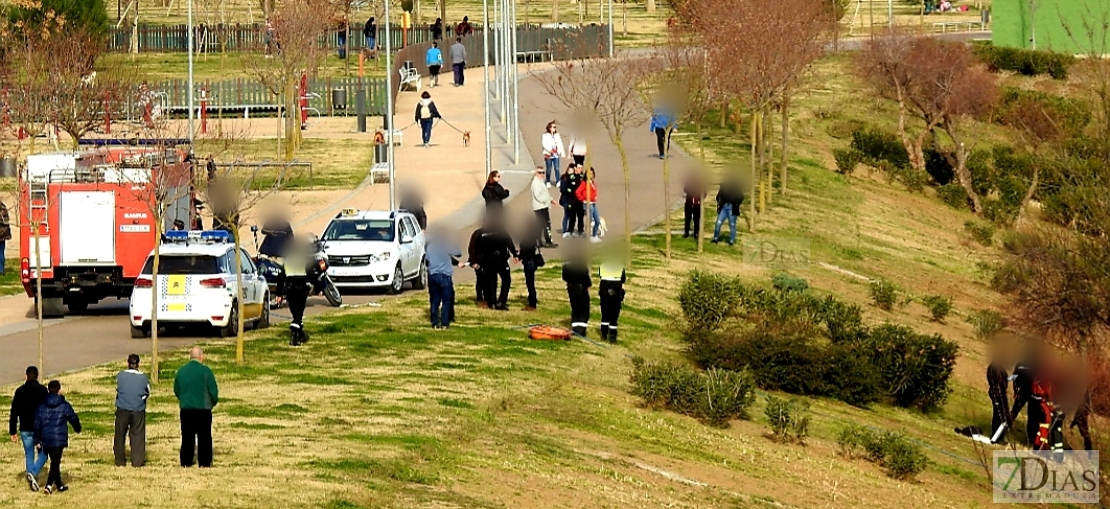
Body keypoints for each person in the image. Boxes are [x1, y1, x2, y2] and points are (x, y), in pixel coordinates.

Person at [34, 380, 81, 495]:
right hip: (58, 439)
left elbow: (37, 424)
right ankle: (49, 485)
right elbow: (73, 418)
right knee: (55, 463)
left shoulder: (41, 406)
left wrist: (37, 439)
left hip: (46, 439)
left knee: (55, 462)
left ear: (48, 390)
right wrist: (77, 428)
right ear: (59, 390)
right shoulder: (64, 405)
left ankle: (59, 485)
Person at [174, 347, 219, 468]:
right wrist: (213, 402)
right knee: (204, 436)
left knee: (187, 436)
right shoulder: (206, 371)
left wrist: (184, 399)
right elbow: (213, 391)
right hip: (203, 409)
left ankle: (186, 461)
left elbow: (177, 390)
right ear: (201, 357)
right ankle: (204, 462)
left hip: (186, 409)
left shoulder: (181, 371)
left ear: (190, 357)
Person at [9, 366, 48, 492]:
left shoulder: (19, 391)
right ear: (37, 376)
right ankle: (34, 472)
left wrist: (13, 431)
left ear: (26, 376)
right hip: (39, 429)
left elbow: (14, 412)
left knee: (29, 454)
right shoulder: (42, 391)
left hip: (25, 428)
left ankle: (31, 475)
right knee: (44, 453)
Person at [114, 354, 150, 467]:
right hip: (137, 409)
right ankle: (137, 461)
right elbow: (148, 391)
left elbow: (118, 388)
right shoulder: (143, 378)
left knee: (120, 434)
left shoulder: (120, 375)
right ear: (138, 364)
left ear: (128, 363)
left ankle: (120, 460)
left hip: (122, 408)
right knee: (138, 434)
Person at [476, 215, 518, 310]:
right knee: (506, 279)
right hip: (500, 258)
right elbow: (509, 242)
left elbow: (477, 249)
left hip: (487, 259)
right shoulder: (501, 230)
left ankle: (493, 302)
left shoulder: (482, 233)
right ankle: (502, 301)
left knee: (492, 280)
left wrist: (481, 259)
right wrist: (515, 254)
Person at [426, 228, 463, 329]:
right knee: (446, 300)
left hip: (432, 275)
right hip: (444, 275)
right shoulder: (445, 245)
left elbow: (427, 259)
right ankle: (445, 322)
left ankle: (434, 323)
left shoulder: (430, 247)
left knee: (434, 300)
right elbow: (458, 252)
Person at [282, 236, 316, 346]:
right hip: (301, 290)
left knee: (296, 313)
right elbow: (312, 275)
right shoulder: (305, 259)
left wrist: (278, 293)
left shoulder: (288, 260)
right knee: (298, 313)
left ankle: (300, 334)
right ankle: (295, 335)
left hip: (290, 290)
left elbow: (281, 277)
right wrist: (318, 288)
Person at [562, 246, 592, 337]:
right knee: (583, 309)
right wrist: (588, 284)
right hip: (581, 288)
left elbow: (564, 277)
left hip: (571, 288)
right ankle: (581, 330)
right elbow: (585, 276)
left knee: (575, 308)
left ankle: (575, 329)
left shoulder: (566, 264)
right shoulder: (581, 264)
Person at [986, 344, 1011, 444]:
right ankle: (996, 437)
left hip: (1001, 393)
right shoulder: (994, 368)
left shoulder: (998, 368)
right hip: (997, 394)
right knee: (999, 415)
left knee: (1004, 415)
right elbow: (997, 382)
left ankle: (1000, 436)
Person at [598, 253, 626, 343]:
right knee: (614, 317)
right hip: (616, 295)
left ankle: (604, 335)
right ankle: (613, 337)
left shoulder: (603, 266)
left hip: (604, 294)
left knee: (604, 315)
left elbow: (600, 275)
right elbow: (623, 279)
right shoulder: (620, 267)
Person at [518, 220, 544, 311]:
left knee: (530, 283)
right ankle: (533, 299)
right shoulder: (535, 237)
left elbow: (525, 252)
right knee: (531, 281)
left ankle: (532, 303)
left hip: (529, 262)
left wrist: (518, 256)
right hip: (534, 261)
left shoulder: (527, 239)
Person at [712, 180, 744, 246]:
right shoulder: (723, 187)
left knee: (732, 225)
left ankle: (731, 241)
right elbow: (718, 196)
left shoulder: (736, 188)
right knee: (718, 223)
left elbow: (741, 197)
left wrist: (736, 204)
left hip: (732, 208)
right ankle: (715, 238)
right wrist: (719, 203)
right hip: (724, 207)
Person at [531, 166, 556, 247]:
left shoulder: (541, 182)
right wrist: (546, 201)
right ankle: (547, 241)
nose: (541, 174)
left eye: (543, 172)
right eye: (539, 172)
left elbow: (545, 193)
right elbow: (537, 195)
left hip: (543, 206)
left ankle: (538, 241)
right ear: (536, 173)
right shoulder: (536, 183)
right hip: (540, 207)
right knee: (546, 224)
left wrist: (551, 199)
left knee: (540, 225)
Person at [576, 168, 602, 243]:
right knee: (590, 221)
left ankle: (594, 235)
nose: (590, 175)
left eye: (592, 173)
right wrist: (583, 199)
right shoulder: (584, 183)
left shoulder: (593, 182)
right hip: (587, 204)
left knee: (597, 220)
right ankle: (589, 235)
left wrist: (594, 197)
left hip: (593, 203)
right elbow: (578, 192)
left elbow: (594, 191)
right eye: (589, 173)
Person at [560, 164, 584, 238]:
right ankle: (570, 231)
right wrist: (571, 195)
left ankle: (580, 231)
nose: (580, 169)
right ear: (575, 168)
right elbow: (567, 188)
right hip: (572, 200)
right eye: (578, 168)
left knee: (580, 216)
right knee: (572, 216)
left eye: (581, 168)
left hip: (580, 201)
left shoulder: (582, 177)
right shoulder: (571, 177)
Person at [467, 224, 488, 308]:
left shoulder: (495, 233)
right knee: (480, 280)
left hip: (489, 261)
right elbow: (471, 248)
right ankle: (480, 299)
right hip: (479, 260)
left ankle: (488, 298)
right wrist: (474, 262)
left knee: (489, 280)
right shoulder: (477, 234)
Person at [541, 122, 565, 187]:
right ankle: (548, 181)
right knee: (549, 168)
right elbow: (544, 144)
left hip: (556, 154)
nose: (554, 128)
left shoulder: (557, 135)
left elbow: (560, 144)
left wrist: (562, 153)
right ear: (549, 128)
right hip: (548, 154)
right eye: (552, 127)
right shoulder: (545, 135)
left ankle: (558, 181)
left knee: (557, 168)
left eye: (555, 127)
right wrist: (550, 150)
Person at [683, 174, 705, 239]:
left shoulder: (700, 187)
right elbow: (685, 189)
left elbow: (704, 194)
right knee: (687, 219)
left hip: (696, 205)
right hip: (688, 204)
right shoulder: (689, 184)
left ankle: (696, 233)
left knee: (696, 219)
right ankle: (686, 232)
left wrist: (700, 199)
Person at [0, 200, 10, 274]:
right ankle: (2, 269)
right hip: (4, 234)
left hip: (2, 233)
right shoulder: (4, 208)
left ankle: (1, 270)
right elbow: (6, 220)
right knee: (1, 252)